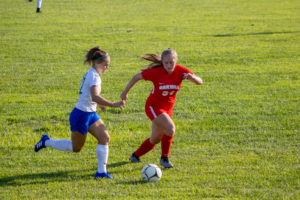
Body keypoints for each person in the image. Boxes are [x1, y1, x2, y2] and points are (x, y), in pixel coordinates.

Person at [34, 46, 125, 179]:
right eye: (106, 65)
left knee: (105, 137)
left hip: (90, 114)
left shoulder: (92, 73)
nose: (107, 68)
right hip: (81, 115)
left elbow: (90, 95)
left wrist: (99, 104)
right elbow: (94, 96)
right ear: (98, 63)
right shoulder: (94, 77)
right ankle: (46, 141)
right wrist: (112, 104)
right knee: (76, 148)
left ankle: (101, 172)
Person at [120, 48, 203, 168]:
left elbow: (200, 81)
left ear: (176, 60)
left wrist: (192, 78)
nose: (169, 65)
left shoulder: (181, 71)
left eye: (172, 62)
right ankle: (164, 158)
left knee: (155, 139)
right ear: (162, 62)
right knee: (170, 129)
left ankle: (135, 156)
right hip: (153, 107)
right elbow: (137, 77)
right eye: (166, 63)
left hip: (167, 109)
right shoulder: (156, 72)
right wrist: (125, 93)